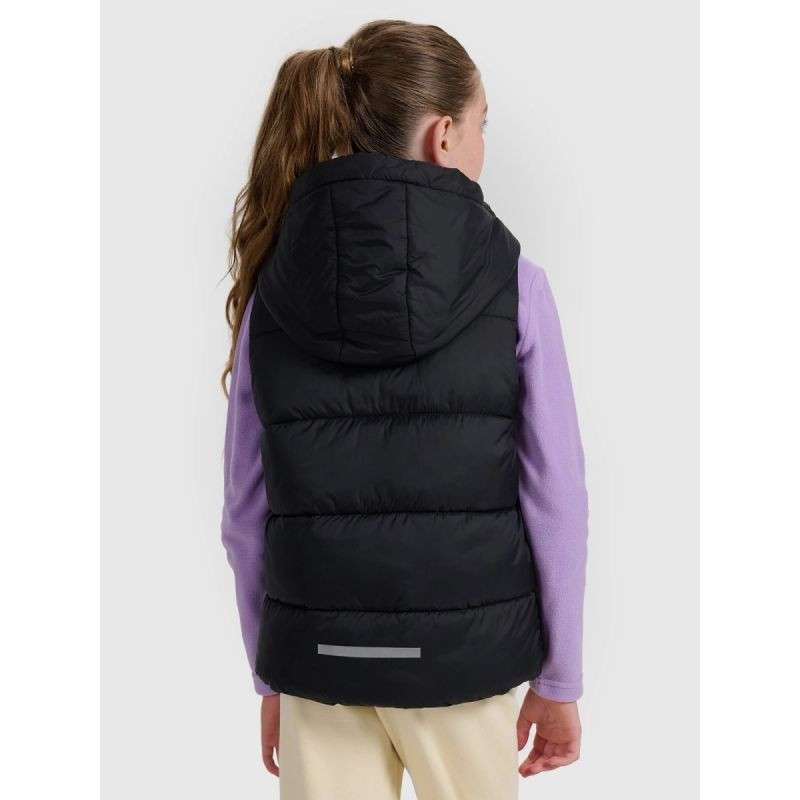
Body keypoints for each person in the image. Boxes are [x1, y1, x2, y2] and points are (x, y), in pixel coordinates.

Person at [220, 19, 589, 800]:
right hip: (468, 666)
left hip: (319, 663)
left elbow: (245, 513)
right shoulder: (515, 283)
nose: (484, 144)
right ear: (444, 137)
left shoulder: (272, 288)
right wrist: (559, 677)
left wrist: (272, 671)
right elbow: (556, 498)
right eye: (482, 124)